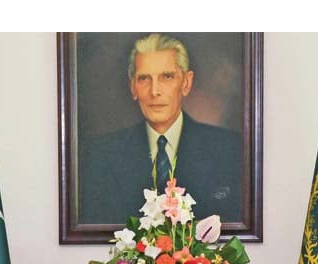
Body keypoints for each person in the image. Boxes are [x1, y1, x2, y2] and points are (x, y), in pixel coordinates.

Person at [79, 33, 243, 225]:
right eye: (144, 79)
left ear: (186, 83)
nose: (154, 91)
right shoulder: (101, 155)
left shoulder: (230, 149)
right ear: (133, 87)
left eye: (167, 77)